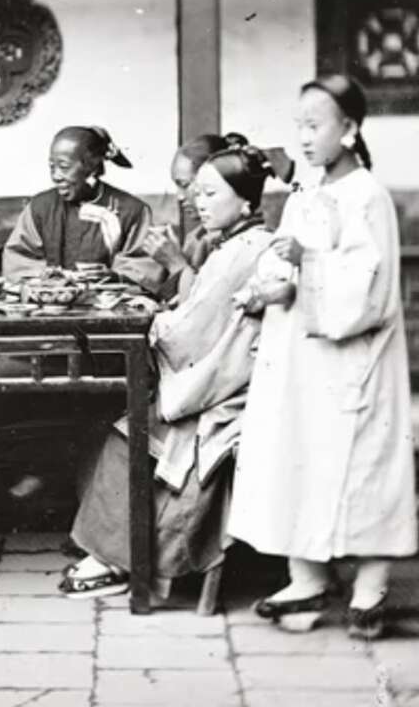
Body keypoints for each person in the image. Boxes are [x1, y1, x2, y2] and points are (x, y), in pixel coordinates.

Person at [227, 75, 418, 640]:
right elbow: (281, 259)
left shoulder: (368, 197)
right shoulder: (307, 192)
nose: (304, 138)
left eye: (316, 126)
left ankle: (369, 587)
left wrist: (305, 268)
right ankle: (305, 579)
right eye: (300, 126)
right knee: (299, 455)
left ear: (350, 129)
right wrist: (272, 283)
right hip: (301, 359)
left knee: (362, 468)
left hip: (353, 360)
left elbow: (370, 289)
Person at [59, 143, 277, 599]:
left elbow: (191, 334)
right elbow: (202, 314)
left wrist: (155, 319)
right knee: (124, 426)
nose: (198, 202)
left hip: (225, 393)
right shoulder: (236, 244)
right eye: (195, 192)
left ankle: (120, 559)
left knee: (129, 433)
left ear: (248, 201)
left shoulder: (240, 253)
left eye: (210, 193)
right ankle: (114, 551)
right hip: (224, 379)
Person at [141, 133, 295, 303]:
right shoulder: (199, 238)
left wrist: (176, 264)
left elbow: (204, 309)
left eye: (185, 185)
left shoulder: (248, 245)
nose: (179, 196)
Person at [1, 126, 154, 283]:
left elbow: (144, 270)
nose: (56, 176)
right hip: (49, 304)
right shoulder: (40, 208)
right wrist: (51, 281)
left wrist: (114, 277)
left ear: (92, 168)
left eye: (64, 167)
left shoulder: (132, 211)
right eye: (52, 167)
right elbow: (18, 262)